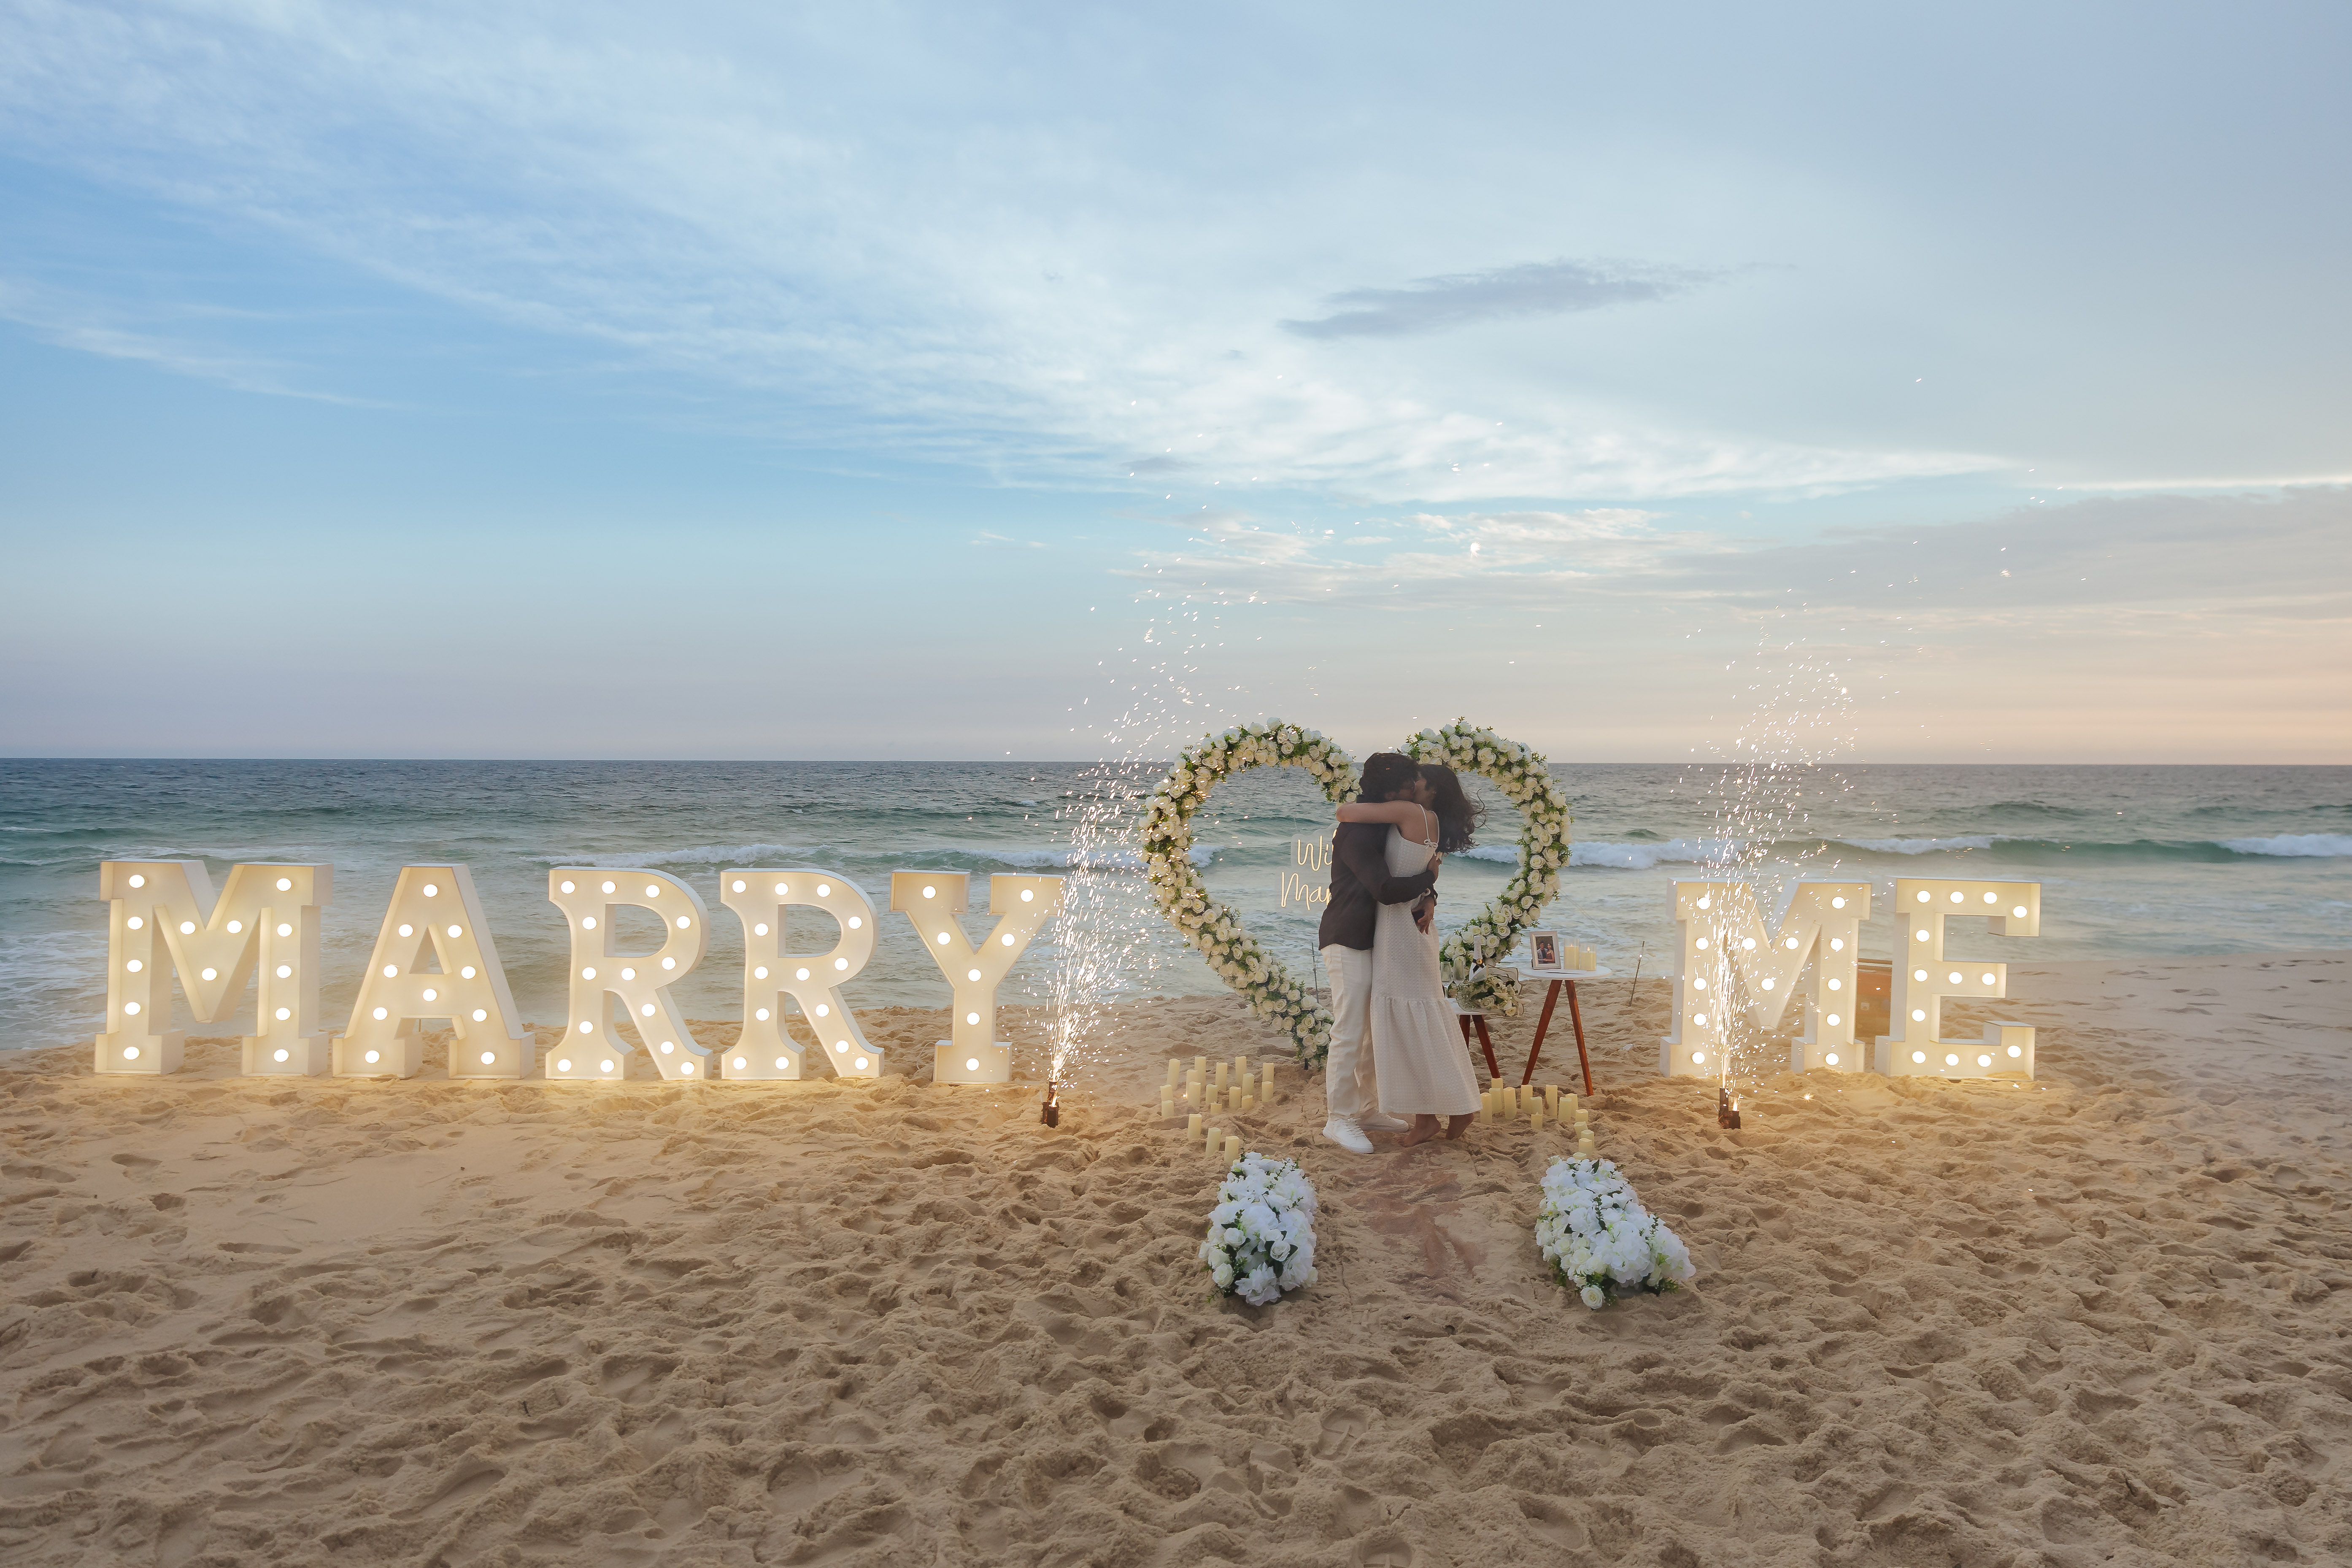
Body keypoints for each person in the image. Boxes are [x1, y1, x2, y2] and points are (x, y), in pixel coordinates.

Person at [1334, 762, 1485, 1144]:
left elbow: (1344, 812)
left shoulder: (1411, 812)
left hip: (1400, 931)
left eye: (1416, 779)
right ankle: (1436, 1113)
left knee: (1412, 1021)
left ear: (1430, 789)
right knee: (1420, 1018)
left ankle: (1444, 1111)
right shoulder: (1429, 819)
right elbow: (1418, 867)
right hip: (1412, 929)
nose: (1409, 783)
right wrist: (1430, 889)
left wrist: (1429, 884)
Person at [1317, 753, 1439, 1154]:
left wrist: (1430, 894)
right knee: (1349, 1030)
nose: (1415, 794)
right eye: (1410, 787)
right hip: (1347, 937)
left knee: (1373, 1032)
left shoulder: (1386, 823)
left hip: (1377, 939)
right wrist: (1430, 877)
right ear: (1391, 791)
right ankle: (1338, 1119)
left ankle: (1368, 1109)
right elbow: (1385, 889)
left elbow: (1405, 872)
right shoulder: (1355, 832)